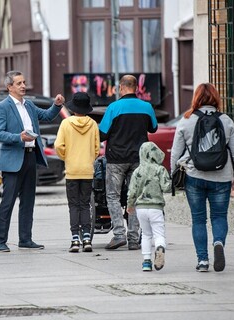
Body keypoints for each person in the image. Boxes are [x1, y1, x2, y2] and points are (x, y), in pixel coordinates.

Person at [170, 83, 234, 272]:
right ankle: (218, 242)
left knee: (198, 219)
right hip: (222, 175)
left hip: (194, 175)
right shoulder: (226, 120)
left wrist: (173, 175)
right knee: (219, 216)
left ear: (196, 98)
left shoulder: (186, 120)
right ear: (215, 98)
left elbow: (175, 152)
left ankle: (203, 261)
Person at [0, 70, 65, 252]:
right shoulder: (3, 107)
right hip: (13, 159)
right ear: (9, 87)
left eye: (24, 82)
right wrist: (19, 137)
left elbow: (47, 115)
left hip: (31, 156)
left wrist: (56, 105)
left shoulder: (30, 105)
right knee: (7, 202)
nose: (23, 86)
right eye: (19, 83)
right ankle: (0, 241)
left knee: (28, 200)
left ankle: (25, 239)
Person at [99, 74, 158, 251]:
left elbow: (102, 134)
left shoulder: (113, 107)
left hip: (116, 159)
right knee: (136, 197)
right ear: (136, 88)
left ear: (122, 88)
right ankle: (133, 238)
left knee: (112, 196)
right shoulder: (146, 107)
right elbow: (153, 128)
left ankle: (118, 235)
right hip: (139, 159)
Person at [54, 92, 100, 253]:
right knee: (85, 204)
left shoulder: (66, 124)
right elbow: (96, 148)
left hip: (72, 170)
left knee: (73, 205)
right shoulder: (93, 124)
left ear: (73, 108)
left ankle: (75, 239)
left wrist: (68, 158)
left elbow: (59, 146)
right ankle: (87, 238)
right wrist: (88, 159)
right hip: (87, 170)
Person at [126, 142, 171, 271]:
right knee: (159, 233)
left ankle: (146, 262)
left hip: (141, 208)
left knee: (146, 234)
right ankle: (160, 247)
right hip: (156, 207)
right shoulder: (160, 169)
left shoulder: (137, 171)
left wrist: (130, 205)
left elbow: (132, 191)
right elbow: (166, 187)